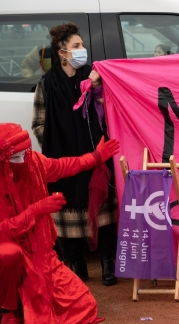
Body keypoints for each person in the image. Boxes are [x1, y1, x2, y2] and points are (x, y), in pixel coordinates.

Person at [0, 123, 119, 324]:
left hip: (38, 250)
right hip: (2, 247)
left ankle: (26, 300)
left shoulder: (32, 162)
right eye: (15, 158)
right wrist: (37, 210)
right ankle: (9, 311)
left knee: (83, 304)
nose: (22, 161)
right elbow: (1, 231)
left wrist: (96, 156)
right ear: (0, 159)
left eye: (23, 155)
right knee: (8, 254)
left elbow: (62, 166)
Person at [31, 22, 118, 286]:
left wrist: (95, 89)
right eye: (76, 46)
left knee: (103, 210)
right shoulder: (46, 84)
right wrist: (61, 146)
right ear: (62, 52)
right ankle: (76, 262)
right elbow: (39, 122)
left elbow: (110, 112)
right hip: (62, 161)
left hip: (97, 153)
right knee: (66, 208)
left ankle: (107, 261)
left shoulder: (95, 77)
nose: (82, 50)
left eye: (82, 45)